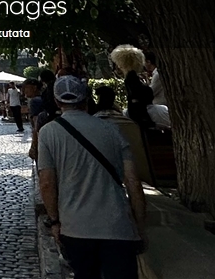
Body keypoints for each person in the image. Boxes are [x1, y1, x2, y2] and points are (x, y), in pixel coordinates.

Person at [38, 76, 146, 279]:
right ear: (86, 99)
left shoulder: (48, 133)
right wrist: (140, 225)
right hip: (117, 227)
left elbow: (46, 183)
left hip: (75, 227)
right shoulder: (112, 130)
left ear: (57, 101)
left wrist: (54, 221)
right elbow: (133, 182)